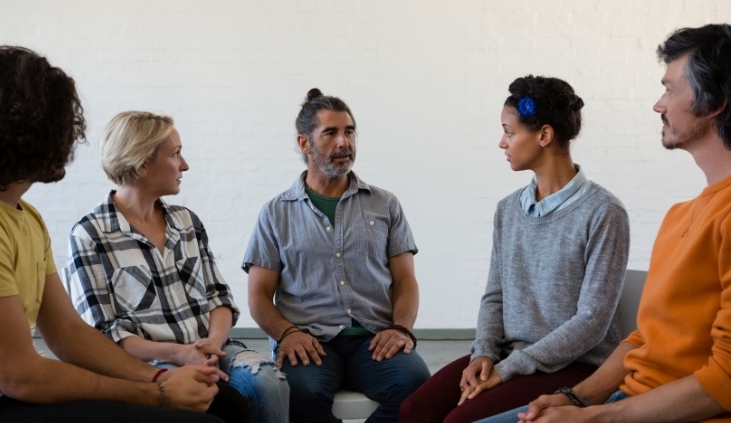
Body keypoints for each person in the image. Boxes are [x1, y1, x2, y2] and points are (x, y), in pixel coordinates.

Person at [0, 46, 226, 423]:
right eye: (62, 119)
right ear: (32, 127)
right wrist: (157, 393)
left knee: (230, 405)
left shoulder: (25, 217)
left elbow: (67, 334)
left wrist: (162, 376)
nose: (71, 133)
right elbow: (21, 377)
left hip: (7, 394)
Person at [477, 23, 731, 423]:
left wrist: (593, 416)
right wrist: (575, 399)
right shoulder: (680, 215)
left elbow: (726, 380)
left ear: (715, 101)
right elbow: (641, 339)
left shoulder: (610, 212)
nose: (658, 104)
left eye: (670, 89)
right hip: (622, 395)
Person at [399, 76, 630, 423]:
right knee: (415, 410)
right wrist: (484, 353)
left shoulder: (604, 213)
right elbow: (495, 295)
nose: (501, 143)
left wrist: (509, 369)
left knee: (458, 420)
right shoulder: (508, 209)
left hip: (576, 365)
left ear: (544, 136)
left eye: (509, 132)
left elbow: (592, 322)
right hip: (509, 357)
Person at [65, 111, 290, 423]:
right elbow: (103, 334)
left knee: (268, 382)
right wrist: (176, 353)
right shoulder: (89, 235)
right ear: (142, 162)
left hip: (213, 350)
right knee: (208, 402)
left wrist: (213, 343)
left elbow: (219, 297)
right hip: (151, 362)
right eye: (175, 154)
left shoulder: (186, 222)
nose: (185, 165)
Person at [242, 88, 431, 423]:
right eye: (330, 133)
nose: (344, 142)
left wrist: (401, 328)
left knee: (415, 386)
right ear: (304, 143)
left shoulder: (384, 204)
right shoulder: (275, 213)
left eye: (349, 131)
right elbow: (258, 295)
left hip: (374, 340)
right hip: (307, 340)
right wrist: (287, 334)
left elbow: (405, 280)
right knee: (299, 393)